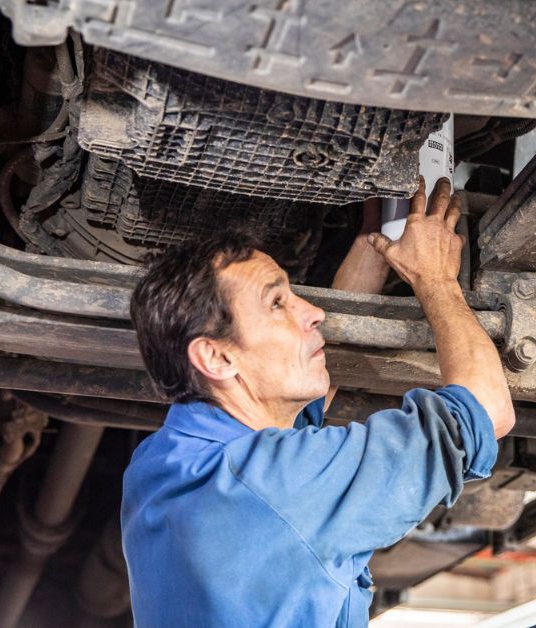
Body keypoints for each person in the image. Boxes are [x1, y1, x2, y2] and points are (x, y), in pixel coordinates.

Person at [121, 178, 515, 627]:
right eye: (276, 303)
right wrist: (437, 279)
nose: (314, 312)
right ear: (216, 356)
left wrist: (376, 239)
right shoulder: (277, 485)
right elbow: (485, 410)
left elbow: (296, 427)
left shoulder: (162, 462)